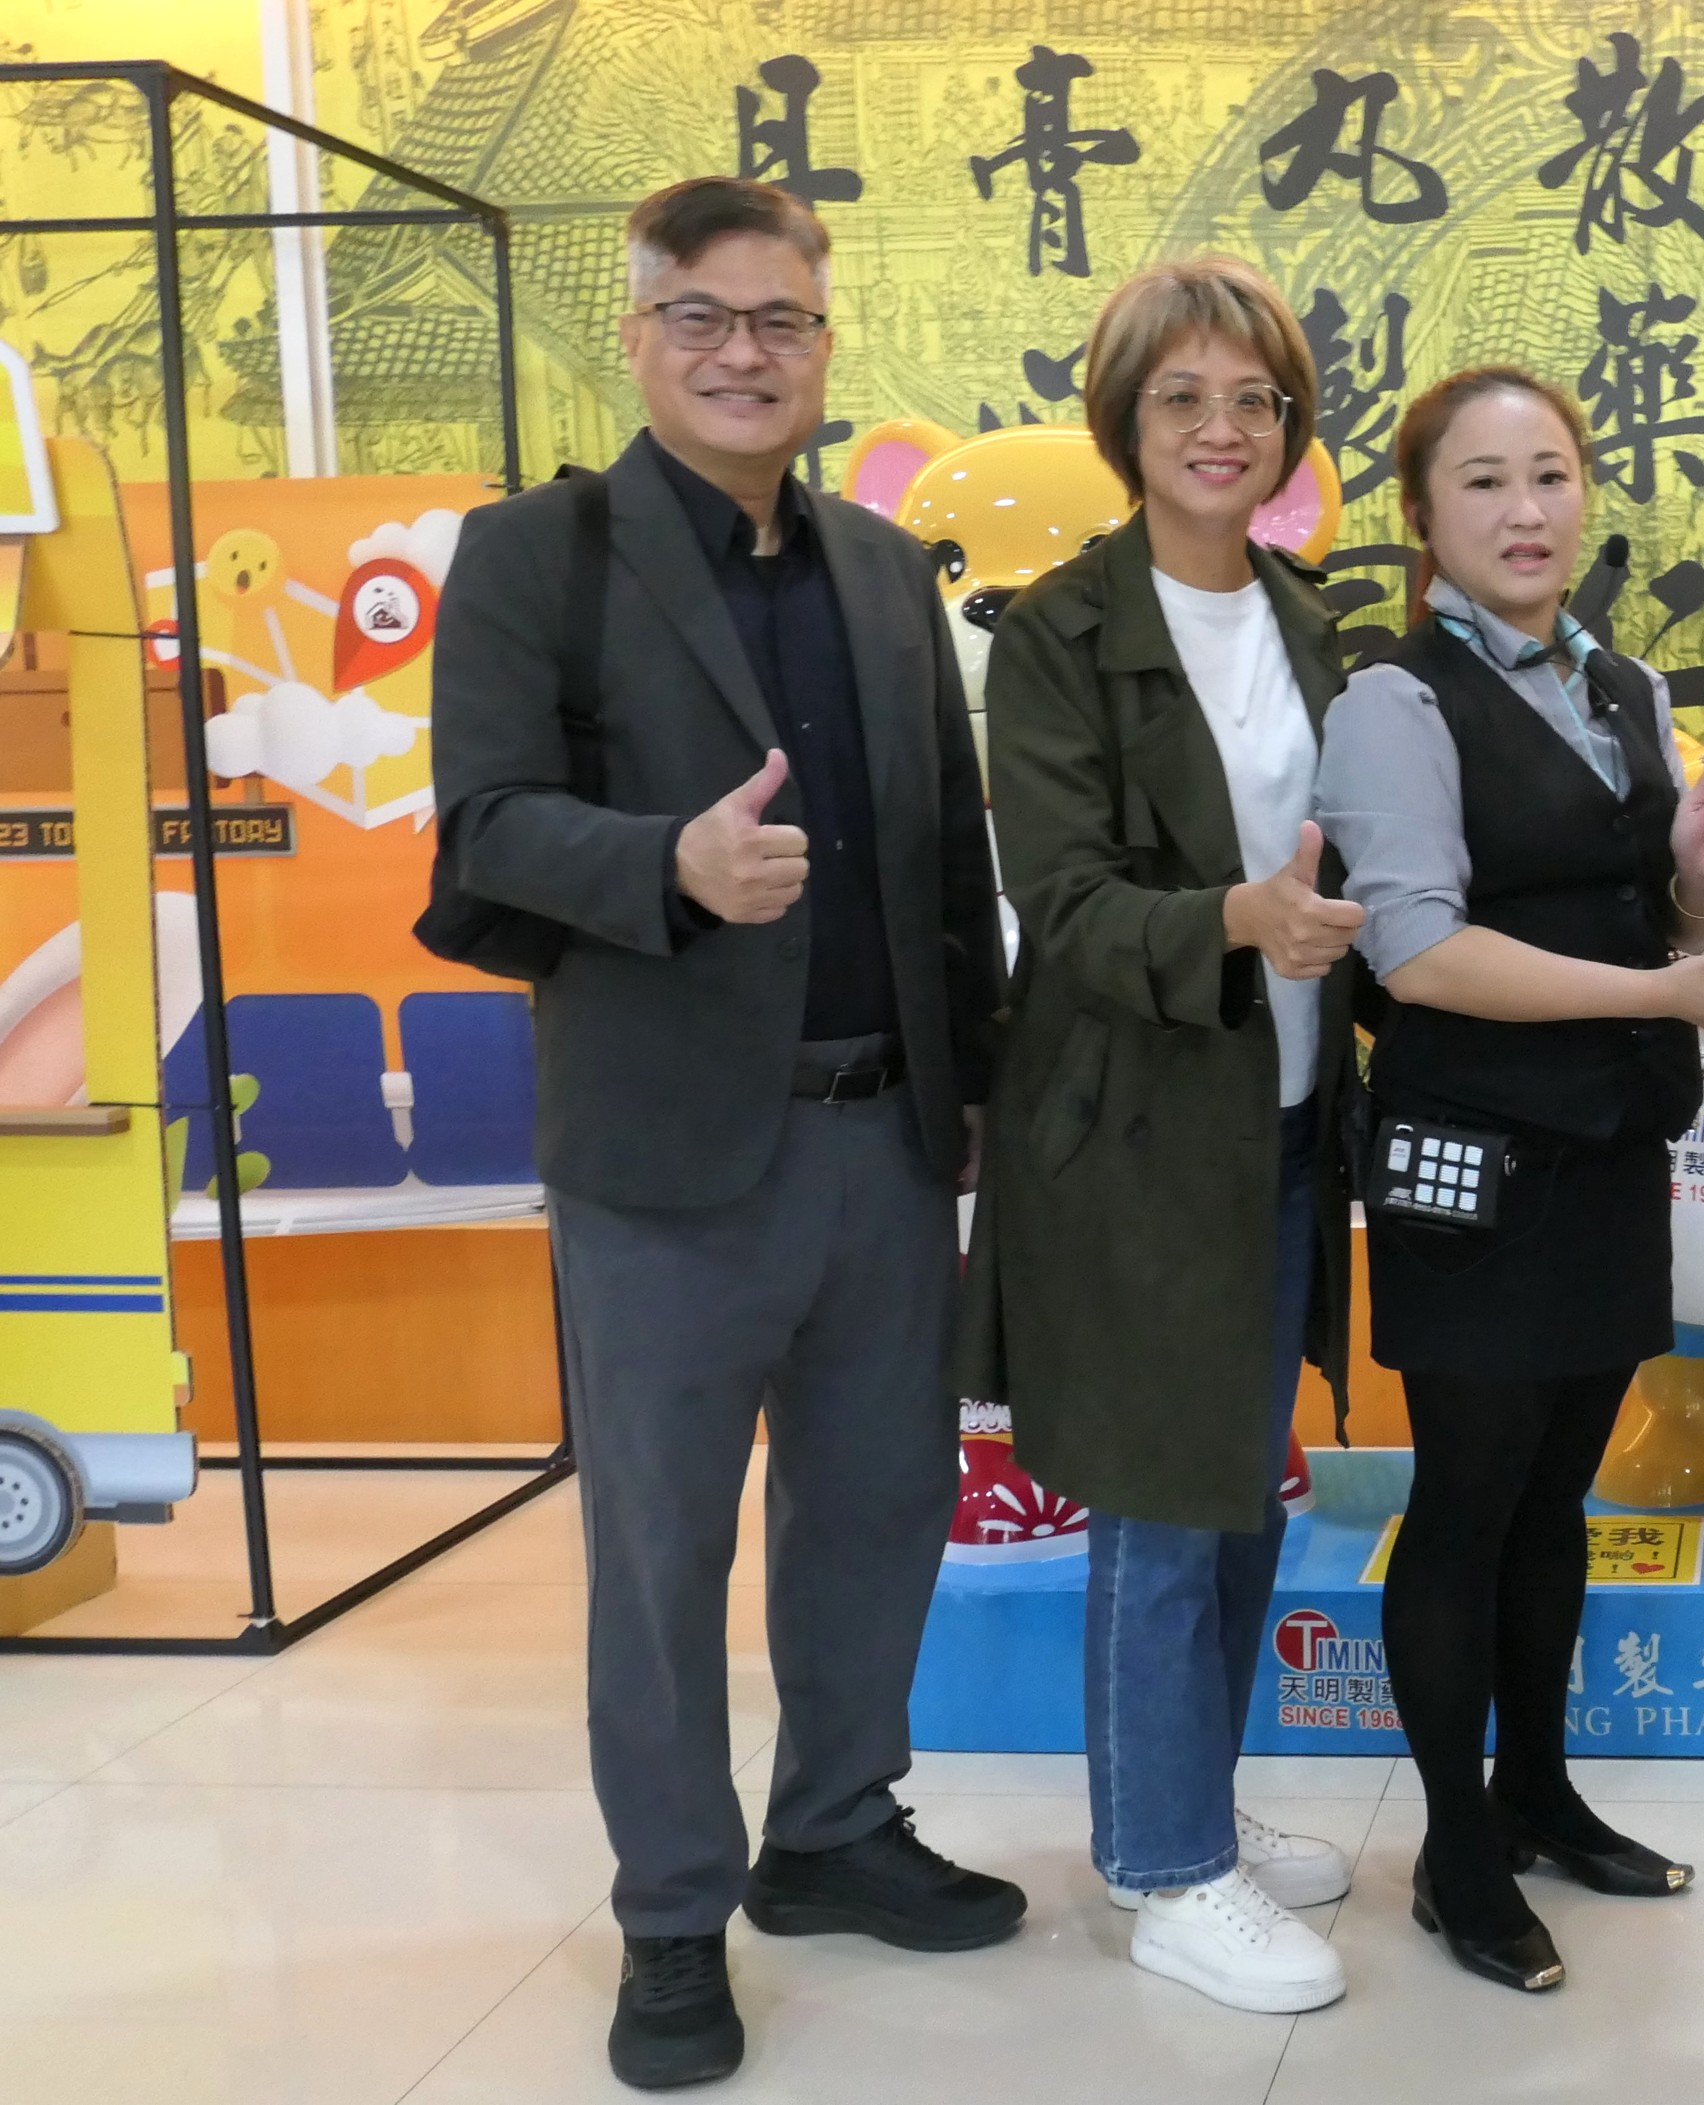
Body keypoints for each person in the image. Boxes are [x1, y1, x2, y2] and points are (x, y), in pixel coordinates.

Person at [427, 176, 1017, 2093]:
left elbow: (946, 854)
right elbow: (480, 828)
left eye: (781, 320)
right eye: (703, 316)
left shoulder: (883, 569)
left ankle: (833, 1827)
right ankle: (674, 1912)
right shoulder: (541, 553)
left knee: (877, 1510)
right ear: (640, 335)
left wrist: (978, 1083)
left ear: (824, 345)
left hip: (883, 1135)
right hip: (667, 1155)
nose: (744, 353)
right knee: (662, 1549)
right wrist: (665, 865)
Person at [1315, 366, 1704, 1993]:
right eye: (1482, 483)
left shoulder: (1625, 684)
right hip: (1472, 1167)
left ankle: (1538, 1790)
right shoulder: (1392, 700)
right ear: (1421, 516)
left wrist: (1701, 892)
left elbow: (1659, 919)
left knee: (1555, 1502)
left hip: (1609, 1152)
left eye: (1548, 475)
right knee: (1465, 1506)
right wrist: (1662, 991)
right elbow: (1420, 954)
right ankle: (1454, 1849)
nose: (1525, 512)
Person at [956, 255, 1360, 2015]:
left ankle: (1186, 1794)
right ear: (1124, 420)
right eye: (1181, 396)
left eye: (1252, 398)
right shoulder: (1056, 633)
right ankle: (1164, 1866)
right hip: (1129, 1128)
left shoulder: (1311, 623)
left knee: (1242, 1485)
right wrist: (1236, 924)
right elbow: (1062, 900)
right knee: (1160, 1506)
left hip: (1287, 1118)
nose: (1221, 427)